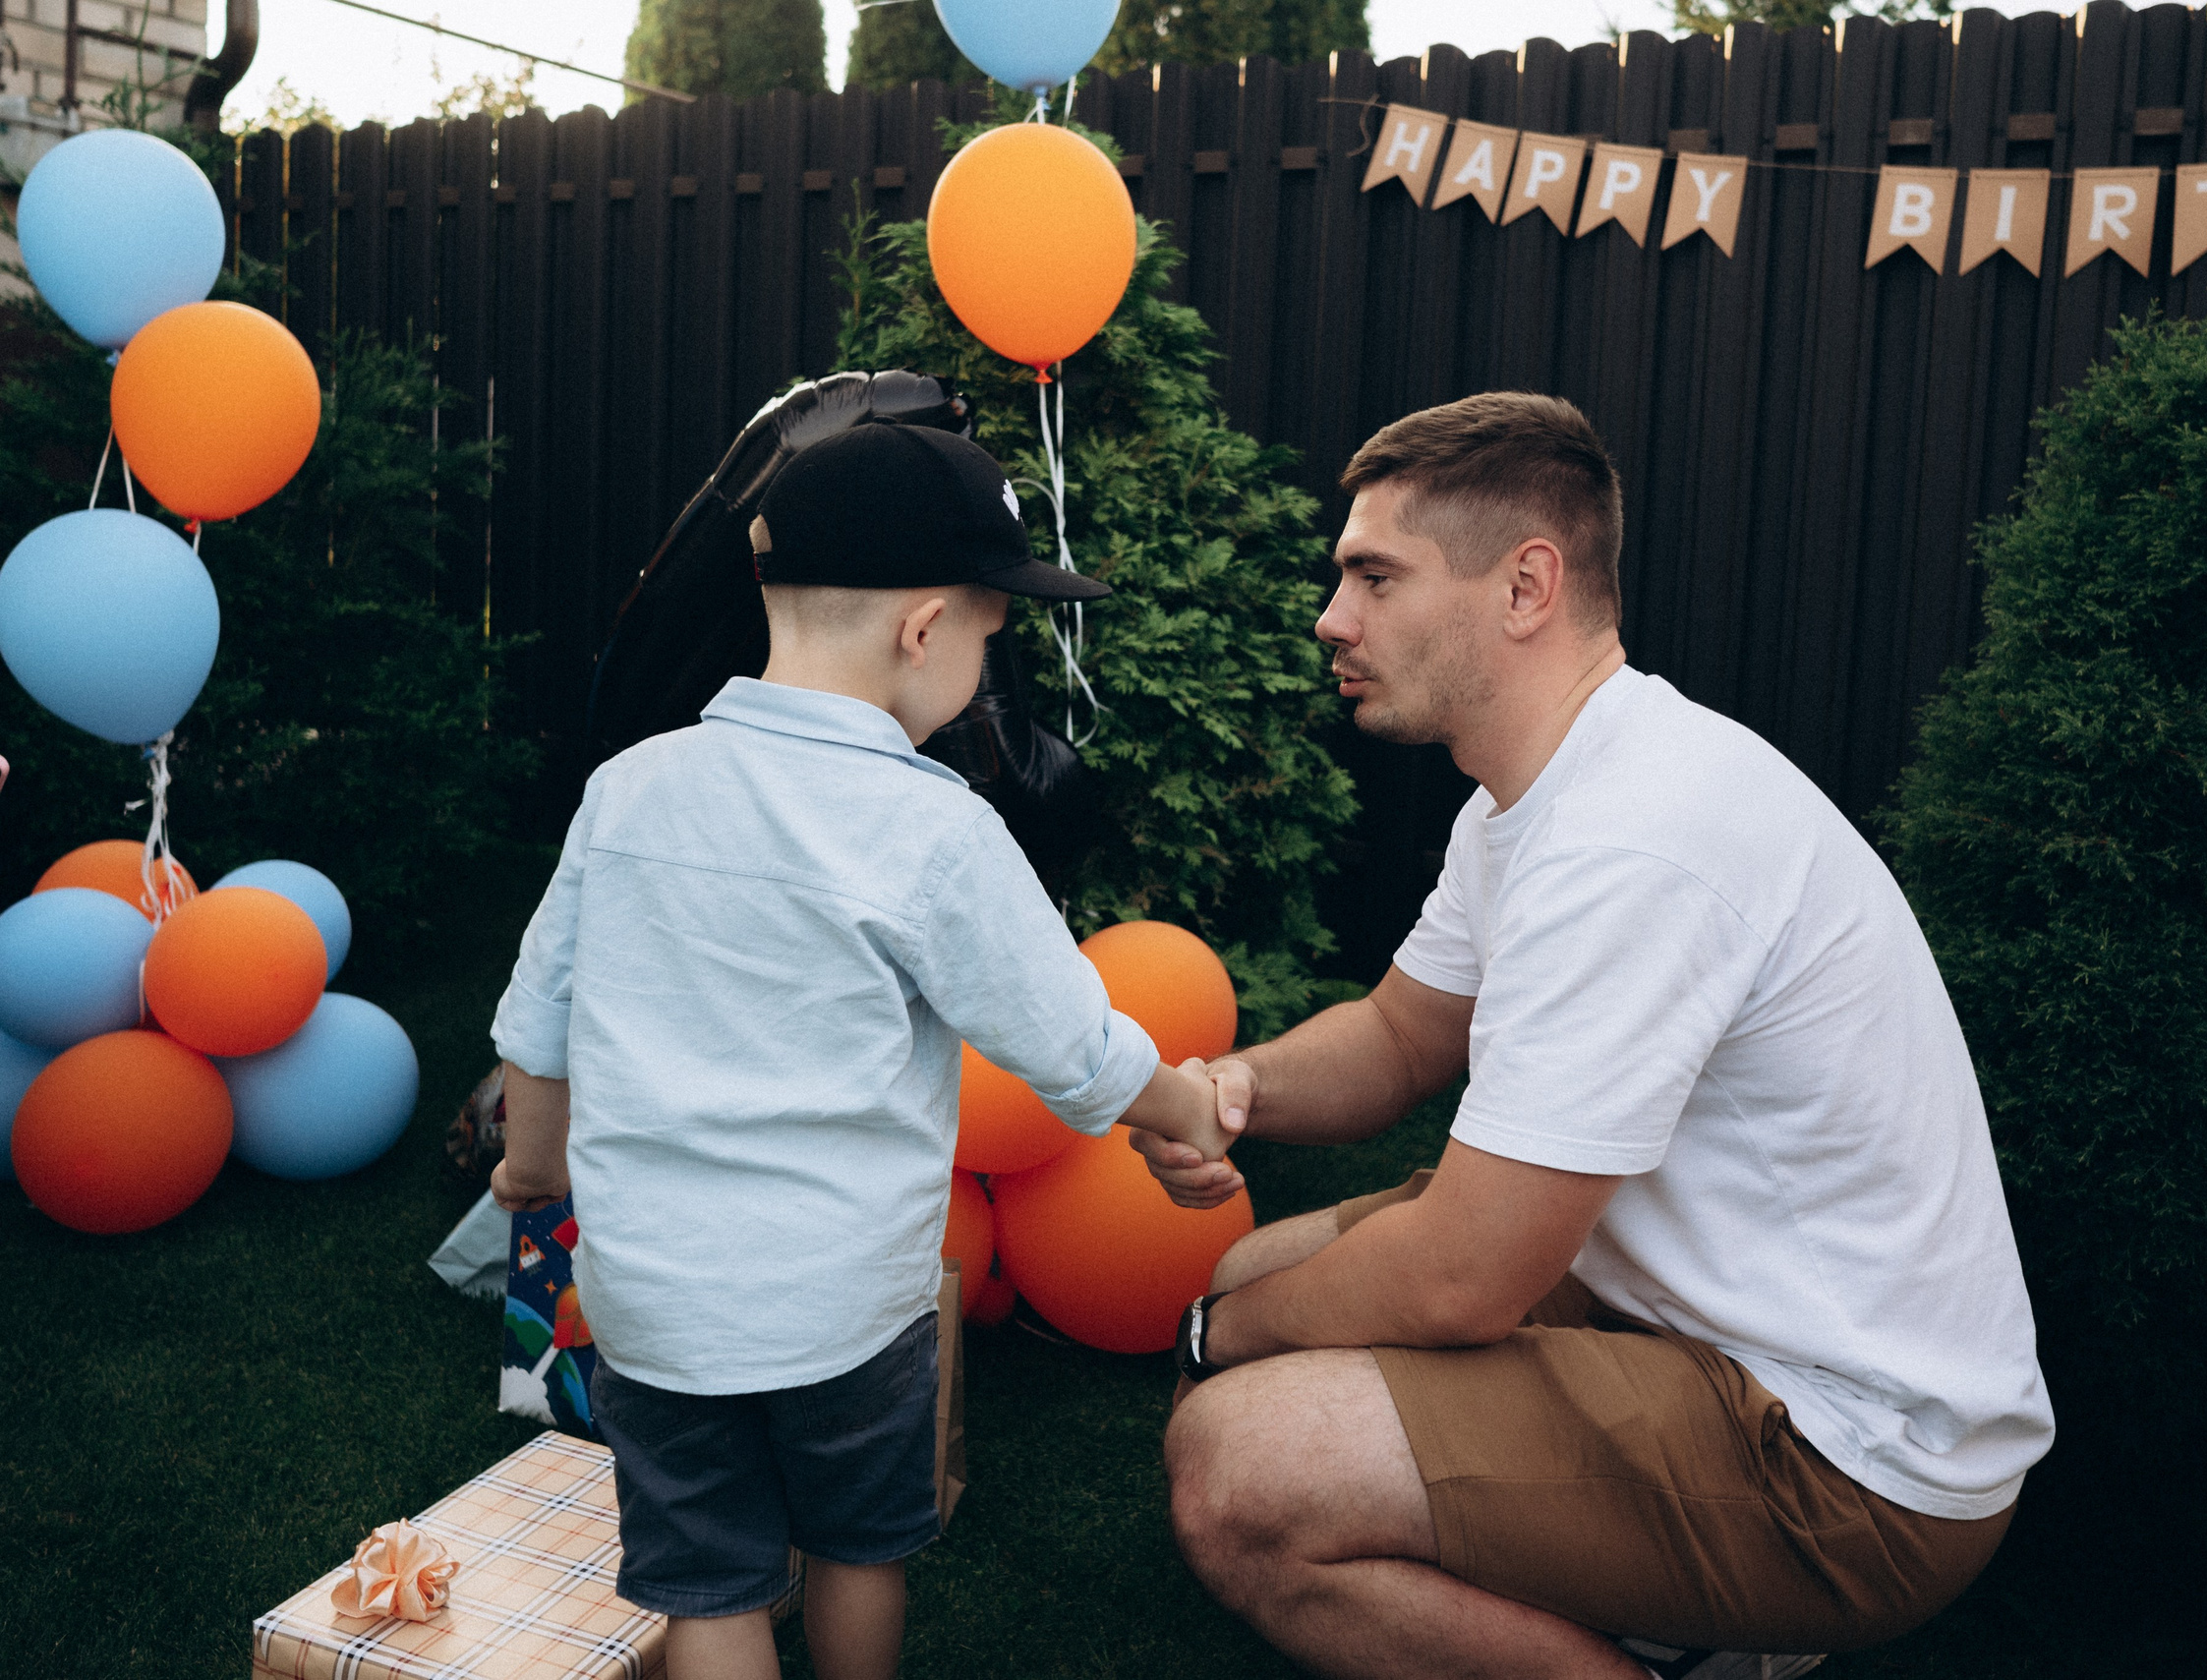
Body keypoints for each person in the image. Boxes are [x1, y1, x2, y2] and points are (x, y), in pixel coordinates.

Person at [1136, 392, 2054, 1680]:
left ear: (1525, 586)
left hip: (1853, 1457)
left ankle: (1686, 1644)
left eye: (1374, 576)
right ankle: (1640, 1596)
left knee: (1240, 1460)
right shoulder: (1539, 791)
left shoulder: (1631, 835)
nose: (1330, 619)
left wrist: (1214, 1344)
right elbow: (1401, 1039)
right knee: (1246, 1289)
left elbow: (1464, 1279)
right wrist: (1223, 1087)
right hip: (1697, 1314)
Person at [487, 420, 1232, 1680]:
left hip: (655, 1300)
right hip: (849, 1304)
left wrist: (531, 1170)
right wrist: (1181, 1108)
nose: (988, 665)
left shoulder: (629, 789)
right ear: (924, 627)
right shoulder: (934, 827)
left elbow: (536, 1020)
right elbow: (1067, 1037)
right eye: (995, 634)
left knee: (707, 1581)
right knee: (856, 1547)